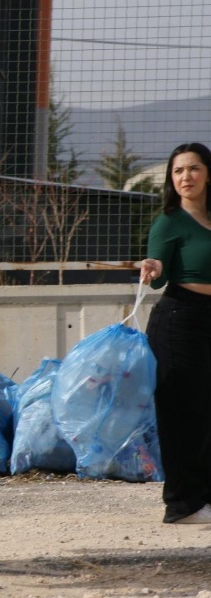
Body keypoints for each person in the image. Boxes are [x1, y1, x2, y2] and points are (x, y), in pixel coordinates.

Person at [140, 141, 211, 524]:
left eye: (194, 168)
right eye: (179, 170)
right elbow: (159, 276)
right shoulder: (170, 220)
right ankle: (183, 505)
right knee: (184, 413)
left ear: (208, 173)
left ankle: (206, 498)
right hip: (179, 320)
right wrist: (152, 265)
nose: (186, 177)